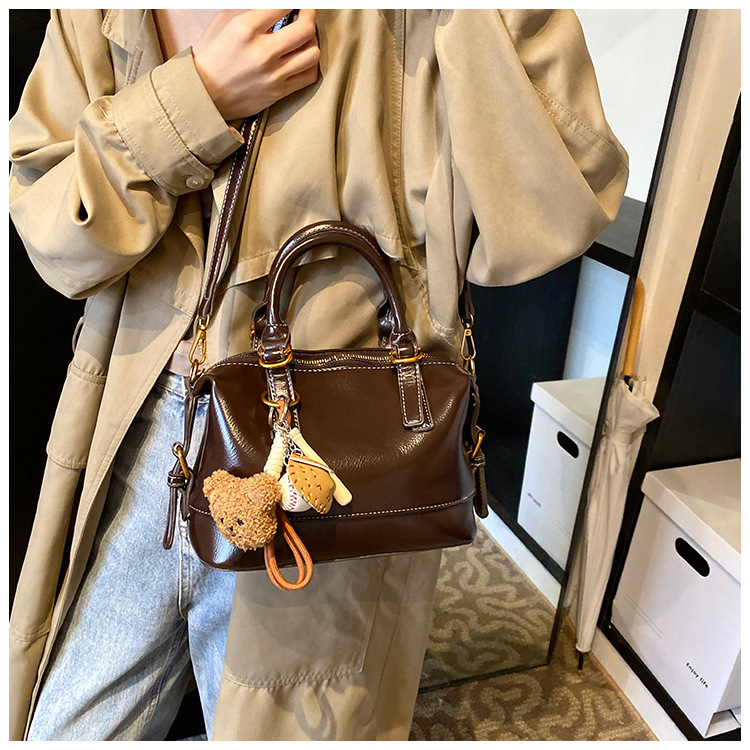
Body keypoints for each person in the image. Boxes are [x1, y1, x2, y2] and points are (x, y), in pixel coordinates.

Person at [9, 9, 629, 741]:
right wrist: (196, 98)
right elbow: (54, 234)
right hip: (142, 425)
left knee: (290, 724)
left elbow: (558, 204)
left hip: (334, 446)